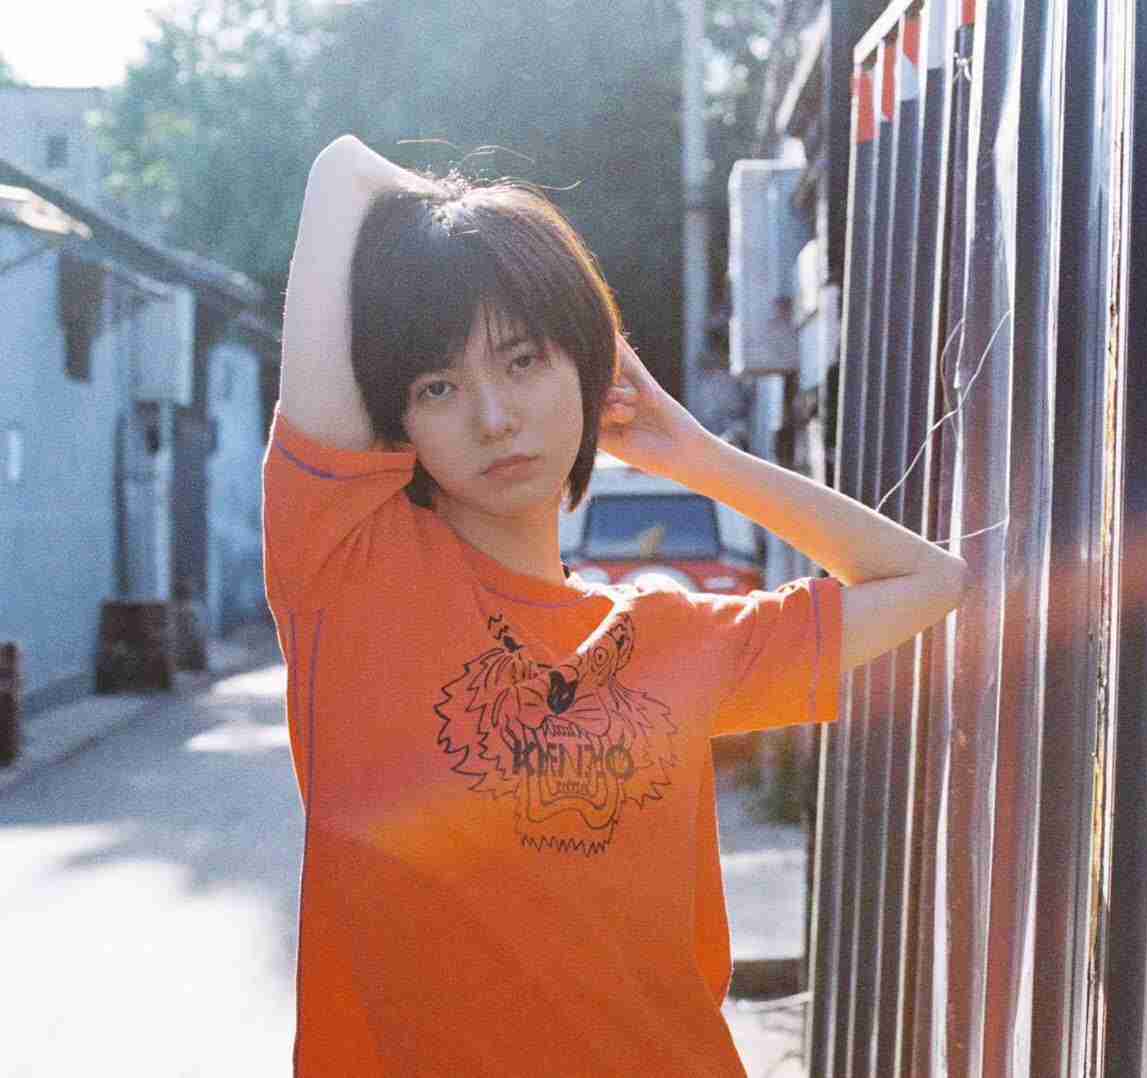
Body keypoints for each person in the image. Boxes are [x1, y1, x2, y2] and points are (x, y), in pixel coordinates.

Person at [264, 132, 965, 1076]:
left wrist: (697, 456)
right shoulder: (351, 574)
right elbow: (341, 171)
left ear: (588, 372)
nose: (493, 417)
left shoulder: (672, 639)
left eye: (523, 360)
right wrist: (462, 230)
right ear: (402, 422)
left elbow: (929, 582)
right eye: (439, 386)